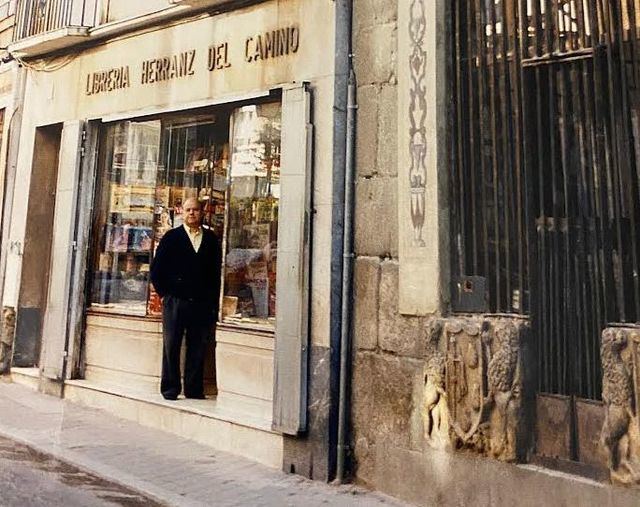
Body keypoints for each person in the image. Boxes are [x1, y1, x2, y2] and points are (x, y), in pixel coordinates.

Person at [150, 197, 222, 400]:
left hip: (200, 302)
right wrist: (166, 294)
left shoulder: (210, 239)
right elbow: (157, 270)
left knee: (198, 346)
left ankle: (193, 388)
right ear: (182, 212)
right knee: (171, 345)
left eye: (196, 210)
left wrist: (212, 301)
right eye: (188, 210)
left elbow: (215, 272)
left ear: (202, 212)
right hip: (176, 301)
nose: (192, 213)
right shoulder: (171, 237)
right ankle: (170, 388)